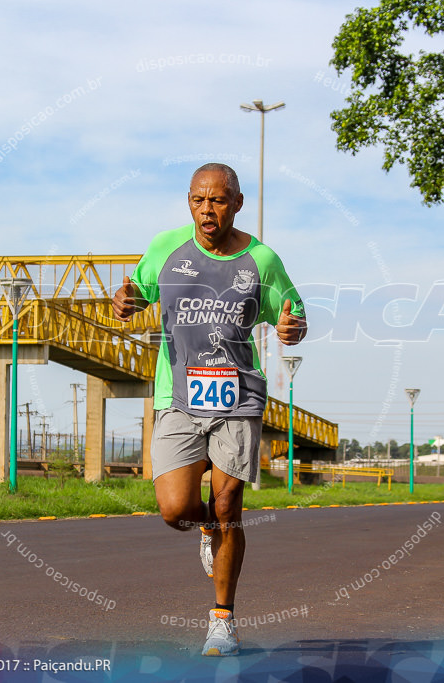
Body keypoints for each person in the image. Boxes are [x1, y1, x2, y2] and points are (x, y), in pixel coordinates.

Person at [111, 163, 307, 656]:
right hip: (176, 396)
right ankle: (206, 528)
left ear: (237, 203)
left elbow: (293, 311)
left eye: (218, 200)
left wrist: (292, 329)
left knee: (228, 506)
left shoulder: (261, 261)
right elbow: (136, 288)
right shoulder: (166, 248)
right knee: (175, 508)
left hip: (238, 395)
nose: (206, 210)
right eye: (198, 200)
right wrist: (127, 298)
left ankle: (223, 619)